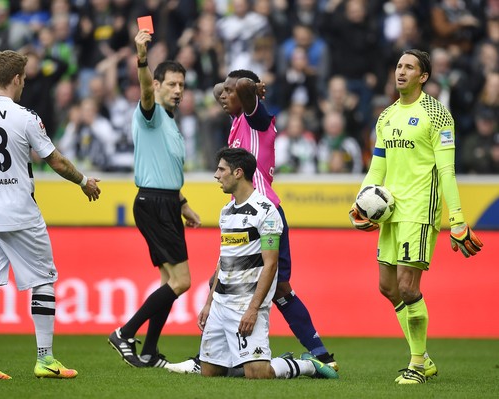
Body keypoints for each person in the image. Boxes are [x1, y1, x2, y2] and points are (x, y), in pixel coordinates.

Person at [167, 69, 337, 374]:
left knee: (275, 285)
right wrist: (233, 87)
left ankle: (317, 356)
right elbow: (226, 85)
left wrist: (251, 88)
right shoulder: (236, 120)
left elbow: (243, 84)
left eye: (229, 93)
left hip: (264, 212)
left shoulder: (257, 118)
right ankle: (216, 355)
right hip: (241, 211)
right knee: (254, 283)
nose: (222, 96)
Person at [348, 49, 484, 384]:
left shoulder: (437, 115)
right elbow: (377, 166)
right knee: (387, 287)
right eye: (398, 66)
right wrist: (361, 203)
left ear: (423, 77)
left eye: (409, 67)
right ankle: (422, 355)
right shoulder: (386, 116)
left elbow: (447, 171)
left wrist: (458, 220)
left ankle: (417, 364)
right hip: (390, 211)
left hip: (419, 210)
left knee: (408, 288)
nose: (401, 72)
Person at [0, 50, 101, 380]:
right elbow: (55, 161)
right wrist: (84, 181)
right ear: (15, 79)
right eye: (23, 79)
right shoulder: (24, 116)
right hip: (20, 213)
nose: (24, 84)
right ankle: (45, 358)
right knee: (44, 281)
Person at [198, 147, 337, 380]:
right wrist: (209, 303)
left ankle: (307, 365)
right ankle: (248, 356)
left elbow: (271, 265)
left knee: (258, 374)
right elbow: (222, 261)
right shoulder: (226, 212)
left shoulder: (266, 212)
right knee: (210, 373)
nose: (216, 175)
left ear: (238, 173)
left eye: (221, 169)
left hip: (247, 304)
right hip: (221, 304)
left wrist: (253, 309)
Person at [107, 28, 201, 368]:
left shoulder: (171, 123)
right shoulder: (150, 112)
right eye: (172, 84)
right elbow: (145, 89)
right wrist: (142, 57)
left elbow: (167, 173)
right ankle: (125, 333)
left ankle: (149, 351)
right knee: (183, 281)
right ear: (158, 85)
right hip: (153, 204)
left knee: (168, 282)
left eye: (182, 85)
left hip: (165, 203)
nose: (178, 91)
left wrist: (183, 203)